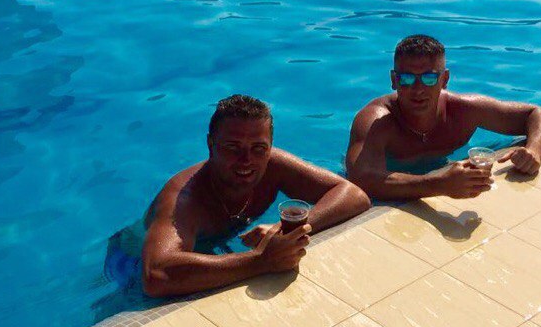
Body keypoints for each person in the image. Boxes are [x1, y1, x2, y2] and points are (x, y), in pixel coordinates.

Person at [141, 94, 370, 297]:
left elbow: (354, 194)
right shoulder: (184, 199)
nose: (246, 160)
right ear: (210, 144)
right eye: (233, 147)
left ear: (270, 147)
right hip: (135, 255)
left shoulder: (274, 166)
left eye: (258, 148)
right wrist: (261, 260)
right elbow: (156, 275)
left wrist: (285, 230)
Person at [346, 35, 541, 201]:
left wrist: (534, 151)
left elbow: (538, 115)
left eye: (429, 78)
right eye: (407, 78)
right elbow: (362, 178)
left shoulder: (463, 110)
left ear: (444, 79)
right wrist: (439, 184)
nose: (418, 89)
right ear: (394, 80)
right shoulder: (377, 121)